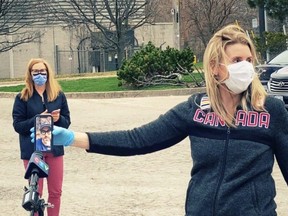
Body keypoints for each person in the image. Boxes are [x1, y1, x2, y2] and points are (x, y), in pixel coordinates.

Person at [33, 24, 288, 215]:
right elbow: (139, 139)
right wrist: (73, 138)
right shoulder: (196, 109)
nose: (245, 67)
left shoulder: (271, 111)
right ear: (214, 66)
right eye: (235, 60)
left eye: (248, 60)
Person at [13, 58, 71, 216]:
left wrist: (58, 119)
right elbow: (18, 125)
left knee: (55, 192)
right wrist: (38, 118)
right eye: (35, 72)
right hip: (33, 151)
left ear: (48, 73)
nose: (39, 74)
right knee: (35, 193)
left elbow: (67, 123)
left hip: (54, 148)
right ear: (30, 75)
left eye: (42, 71)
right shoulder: (22, 97)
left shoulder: (58, 95)